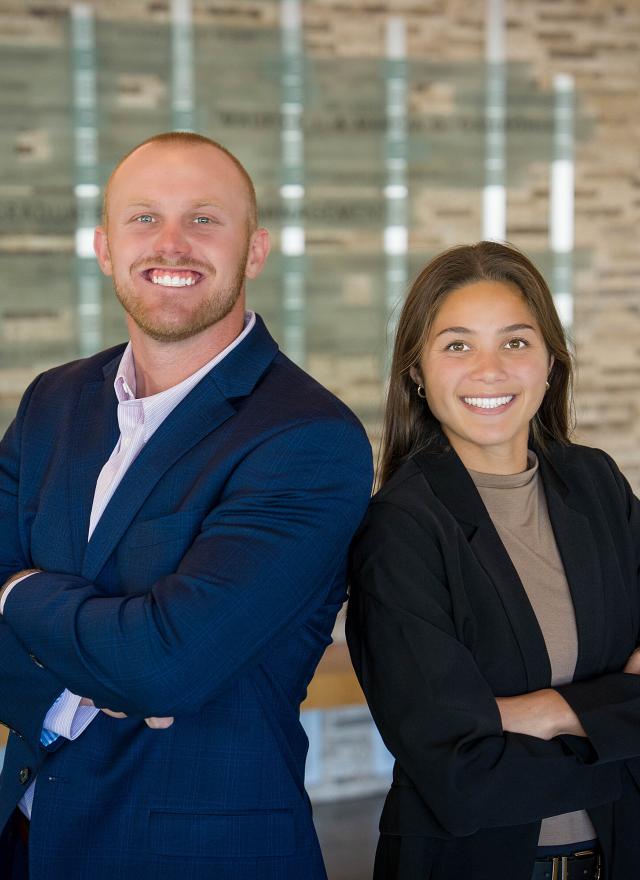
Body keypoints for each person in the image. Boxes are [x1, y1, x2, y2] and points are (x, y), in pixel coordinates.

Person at [0, 131, 373, 880]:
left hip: (195, 858)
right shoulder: (53, 400)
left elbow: (164, 666)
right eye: (144, 219)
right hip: (28, 842)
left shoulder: (309, 437)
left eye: (204, 219)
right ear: (105, 247)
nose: (171, 244)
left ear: (255, 249)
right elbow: (146, 664)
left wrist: (14, 592)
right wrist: (116, 661)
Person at [346, 241, 640, 880]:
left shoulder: (596, 484)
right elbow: (460, 773)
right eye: (457, 345)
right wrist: (620, 720)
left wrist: (542, 713)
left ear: (550, 361)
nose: (490, 370)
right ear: (417, 371)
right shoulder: (400, 528)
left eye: (515, 342)